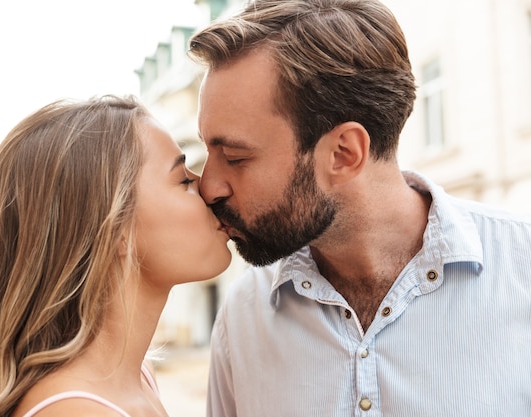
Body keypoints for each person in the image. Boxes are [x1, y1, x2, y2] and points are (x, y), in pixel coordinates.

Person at [187, 0, 531, 416]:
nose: (207, 186)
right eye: (207, 150)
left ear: (344, 153)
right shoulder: (244, 318)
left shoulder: (521, 269)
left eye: (236, 158)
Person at [0, 94, 232, 417]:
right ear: (114, 228)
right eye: (183, 179)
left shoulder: (135, 379)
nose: (209, 188)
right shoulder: (77, 410)